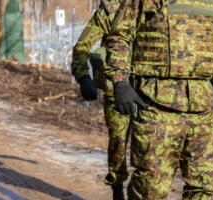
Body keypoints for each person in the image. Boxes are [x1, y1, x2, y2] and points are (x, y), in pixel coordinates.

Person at [106, 0, 213, 199]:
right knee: (151, 188)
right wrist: (120, 81)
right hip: (157, 105)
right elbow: (119, 36)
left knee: (205, 187)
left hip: (203, 107)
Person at [70, 1, 132, 199]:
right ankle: (117, 188)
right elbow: (83, 45)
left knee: (151, 147)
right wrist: (82, 76)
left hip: (155, 91)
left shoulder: (161, 7)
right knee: (119, 141)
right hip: (118, 88)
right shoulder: (112, 9)